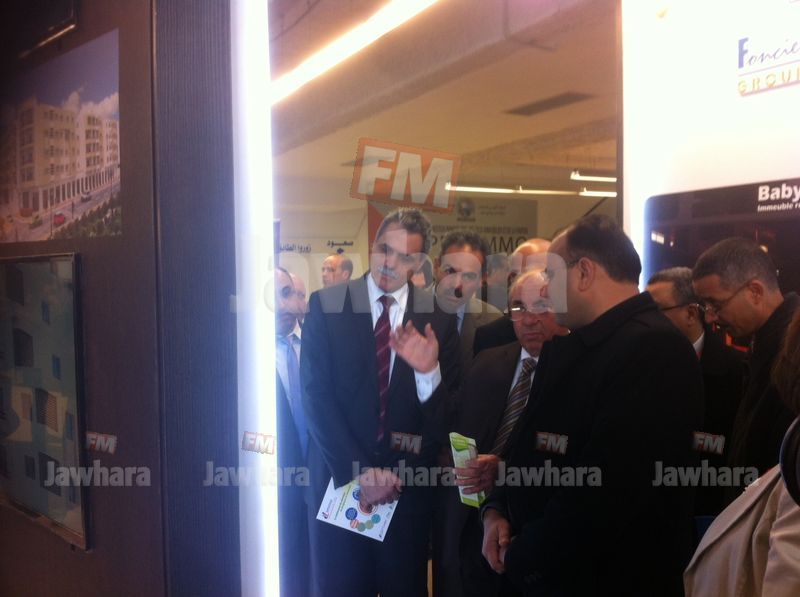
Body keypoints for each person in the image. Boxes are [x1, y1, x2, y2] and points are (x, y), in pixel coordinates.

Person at [481, 214, 703, 596]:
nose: (545, 289)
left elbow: (606, 493)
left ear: (584, 272)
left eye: (551, 274)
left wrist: (522, 557)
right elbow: (525, 445)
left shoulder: (655, 350)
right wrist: (496, 510)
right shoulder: (570, 345)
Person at [300, 208, 460, 597]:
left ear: (419, 263)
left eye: (405, 257)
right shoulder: (327, 304)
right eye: (385, 250)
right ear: (373, 246)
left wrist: (428, 373)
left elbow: (444, 422)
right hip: (339, 485)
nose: (390, 263)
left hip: (405, 495)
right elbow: (316, 397)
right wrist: (360, 473)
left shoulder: (438, 318)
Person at [433, 269, 568, 597]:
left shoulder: (580, 371)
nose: (529, 319)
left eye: (542, 306)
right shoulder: (487, 362)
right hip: (466, 521)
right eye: (519, 308)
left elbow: (571, 453)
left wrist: (504, 470)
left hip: (529, 530)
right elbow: (453, 423)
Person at [684, 309, 800, 596]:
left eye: (716, 303)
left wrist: (695, 442)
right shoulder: (755, 357)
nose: (712, 316)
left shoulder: (734, 364)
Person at [692, 238, 800, 502]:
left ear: (754, 291)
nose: (710, 317)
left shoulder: (792, 353)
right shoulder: (762, 344)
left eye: (716, 304)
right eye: (705, 306)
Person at [647, 266, 745, 516]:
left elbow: (735, 444)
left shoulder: (738, 370)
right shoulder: (638, 364)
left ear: (691, 313)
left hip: (714, 505)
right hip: (651, 505)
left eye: (655, 311)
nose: (646, 320)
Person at [274, 267, 310, 597]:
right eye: (273, 296)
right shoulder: (245, 355)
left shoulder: (319, 343)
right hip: (274, 492)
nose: (283, 304)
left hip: (326, 484)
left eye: (287, 293)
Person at [434, 230, 502, 377]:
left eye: (469, 276)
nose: (456, 285)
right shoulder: (405, 311)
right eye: (450, 271)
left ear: (482, 280)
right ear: (436, 266)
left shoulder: (493, 322)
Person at [473, 238, 551, 355]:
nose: (523, 283)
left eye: (534, 274)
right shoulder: (490, 339)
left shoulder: (577, 336)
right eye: (515, 276)